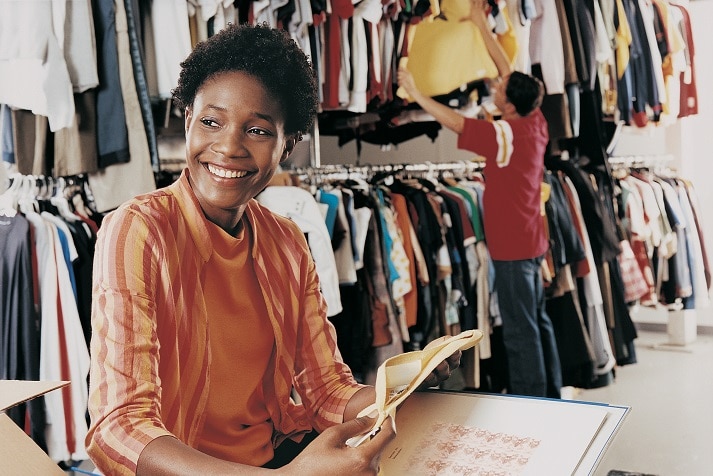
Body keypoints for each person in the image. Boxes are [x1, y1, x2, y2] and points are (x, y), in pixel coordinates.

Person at [86, 23, 461, 475]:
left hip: (276, 461)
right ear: (188, 121)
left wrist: (404, 386)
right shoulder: (138, 231)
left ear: (289, 145)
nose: (228, 147)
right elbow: (119, 427)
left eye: (258, 130)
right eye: (211, 121)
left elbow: (326, 391)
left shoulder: (287, 243)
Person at [397, 0, 562, 398]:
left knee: (521, 330)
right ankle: (552, 393)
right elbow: (506, 67)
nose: (495, 83)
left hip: (513, 246)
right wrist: (478, 23)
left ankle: (533, 403)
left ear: (508, 105)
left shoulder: (504, 136)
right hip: (534, 240)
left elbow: (456, 121)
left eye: (499, 89)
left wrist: (416, 92)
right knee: (537, 320)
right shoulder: (534, 119)